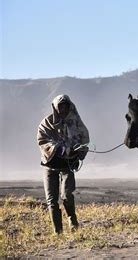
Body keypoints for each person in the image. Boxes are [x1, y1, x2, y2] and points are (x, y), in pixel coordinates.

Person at [37, 95, 89, 234]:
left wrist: (80, 149)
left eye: (66, 106)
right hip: (49, 166)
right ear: (55, 107)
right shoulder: (46, 123)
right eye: (61, 106)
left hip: (67, 165)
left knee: (67, 195)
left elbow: (84, 138)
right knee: (52, 200)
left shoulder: (76, 122)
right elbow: (43, 141)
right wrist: (62, 149)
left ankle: (73, 222)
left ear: (70, 106)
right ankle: (58, 231)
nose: (64, 109)